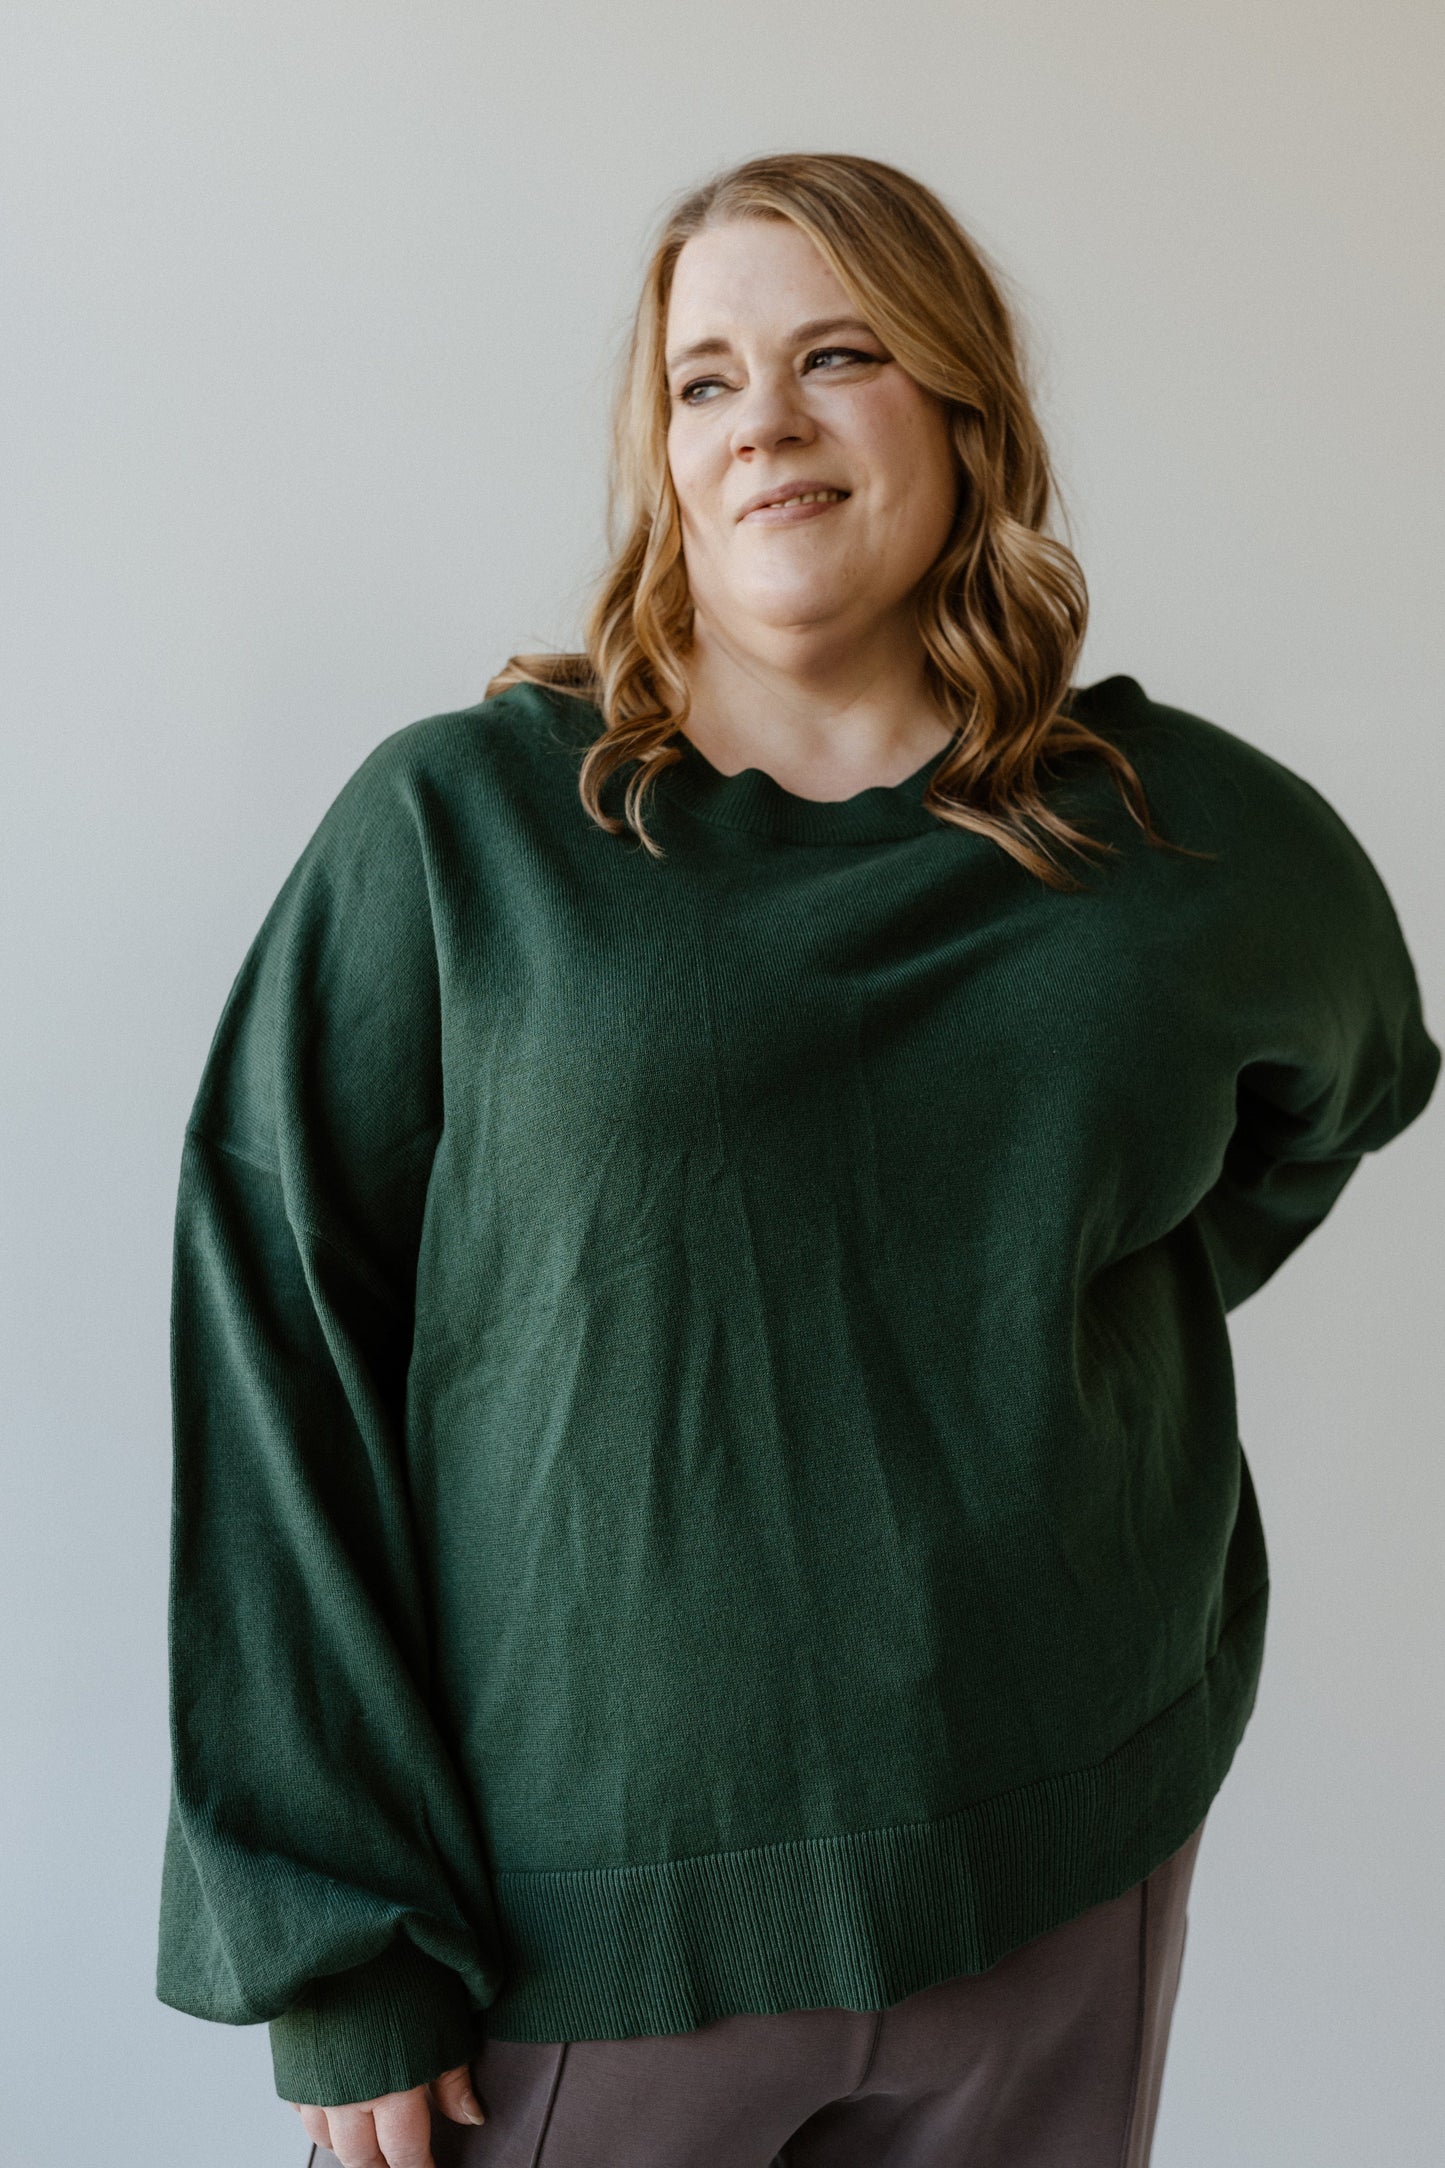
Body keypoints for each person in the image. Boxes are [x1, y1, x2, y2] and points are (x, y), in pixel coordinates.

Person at [156, 153, 1440, 2168]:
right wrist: (341, 1947)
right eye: (704, 378)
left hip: (1057, 1860)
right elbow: (278, 1341)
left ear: (959, 407)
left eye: (835, 355)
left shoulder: (1173, 845)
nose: (762, 419)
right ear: (663, 451)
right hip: (583, 1935)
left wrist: (1039, 1284)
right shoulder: (466, 836)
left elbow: (1343, 1081)